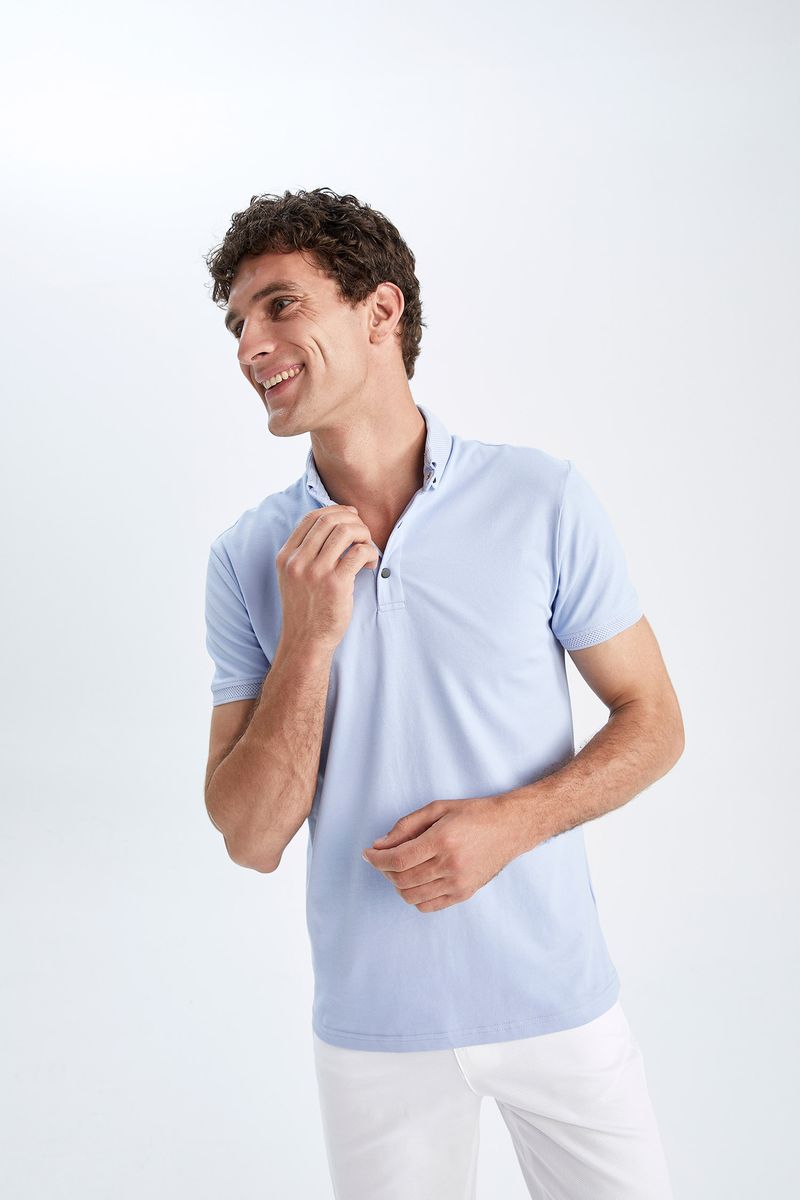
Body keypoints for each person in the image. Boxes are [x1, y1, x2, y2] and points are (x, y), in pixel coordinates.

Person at [202, 187, 684, 1199]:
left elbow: (653, 721)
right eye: (238, 322)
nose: (250, 345)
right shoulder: (248, 556)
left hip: (557, 1001)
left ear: (381, 311)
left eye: (280, 305)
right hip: (373, 1034)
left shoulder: (541, 498)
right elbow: (249, 837)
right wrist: (310, 638)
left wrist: (513, 824)